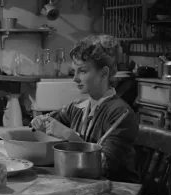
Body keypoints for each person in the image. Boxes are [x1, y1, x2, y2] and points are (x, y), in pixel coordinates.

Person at [31, 34, 139, 183]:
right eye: (74, 71)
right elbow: (47, 122)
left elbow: (104, 166)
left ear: (104, 73)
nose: (75, 78)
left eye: (82, 71)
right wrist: (39, 123)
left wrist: (68, 135)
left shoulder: (121, 114)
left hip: (118, 191)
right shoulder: (76, 108)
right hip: (83, 184)